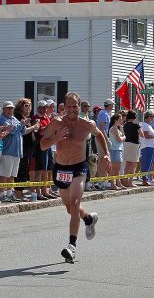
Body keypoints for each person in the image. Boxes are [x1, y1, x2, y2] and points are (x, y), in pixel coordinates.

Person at [40, 92, 111, 263]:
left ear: (80, 106)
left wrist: (106, 154)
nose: (72, 109)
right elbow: (42, 145)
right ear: (64, 107)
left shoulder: (87, 124)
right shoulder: (57, 122)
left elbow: (99, 134)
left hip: (79, 167)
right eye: (69, 106)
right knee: (69, 209)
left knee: (74, 204)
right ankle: (88, 218)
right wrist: (55, 138)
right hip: (61, 168)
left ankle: (71, 247)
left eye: (75, 106)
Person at [0, 101, 37, 202]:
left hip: (17, 151)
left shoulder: (14, 118)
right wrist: (21, 124)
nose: (10, 110)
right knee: (5, 174)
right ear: (4, 109)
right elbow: (11, 130)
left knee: (12, 175)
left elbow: (22, 131)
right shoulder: (2, 118)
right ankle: (1, 194)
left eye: (11, 108)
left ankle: (10, 194)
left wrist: (22, 125)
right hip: (8, 150)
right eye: (8, 108)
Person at [14, 98, 39, 201]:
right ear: (20, 107)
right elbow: (23, 131)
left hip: (29, 148)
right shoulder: (19, 117)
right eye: (26, 106)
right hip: (22, 147)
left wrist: (35, 127)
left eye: (30, 106)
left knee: (25, 171)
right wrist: (33, 127)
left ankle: (21, 192)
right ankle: (18, 193)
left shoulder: (27, 118)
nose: (29, 108)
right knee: (20, 170)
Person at [32, 100, 54, 200]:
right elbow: (39, 132)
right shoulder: (36, 118)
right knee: (40, 170)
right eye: (43, 107)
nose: (45, 109)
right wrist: (49, 126)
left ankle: (45, 191)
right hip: (40, 145)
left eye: (46, 107)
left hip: (48, 144)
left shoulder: (46, 117)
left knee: (47, 169)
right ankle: (38, 192)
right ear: (38, 108)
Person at [123, 110, 143, 188]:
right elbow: (142, 135)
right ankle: (130, 182)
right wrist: (138, 125)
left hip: (126, 143)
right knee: (134, 164)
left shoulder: (125, 125)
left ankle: (125, 181)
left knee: (127, 164)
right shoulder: (136, 125)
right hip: (134, 144)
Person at [96, 99, 114, 180]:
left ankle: (101, 178)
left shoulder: (103, 113)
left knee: (101, 159)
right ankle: (102, 179)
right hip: (101, 138)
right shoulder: (104, 114)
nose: (113, 106)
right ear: (109, 105)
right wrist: (106, 139)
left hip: (100, 137)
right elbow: (101, 128)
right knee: (103, 159)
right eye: (112, 104)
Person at [140, 110, 154, 186]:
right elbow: (146, 136)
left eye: (153, 117)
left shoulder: (149, 125)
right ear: (147, 117)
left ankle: (148, 178)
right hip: (147, 146)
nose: (152, 118)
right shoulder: (144, 125)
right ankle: (144, 179)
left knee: (150, 163)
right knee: (146, 163)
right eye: (151, 116)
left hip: (151, 146)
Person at [108, 114, 125, 189]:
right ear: (115, 120)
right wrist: (124, 137)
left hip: (118, 149)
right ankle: (112, 184)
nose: (122, 121)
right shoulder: (114, 128)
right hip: (114, 149)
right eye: (120, 119)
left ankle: (118, 183)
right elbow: (119, 139)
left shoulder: (117, 128)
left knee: (118, 168)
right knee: (114, 168)